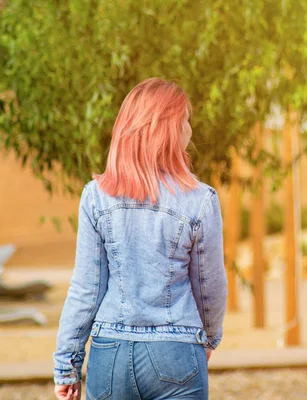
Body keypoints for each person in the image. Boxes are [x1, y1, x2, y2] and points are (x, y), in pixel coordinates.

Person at [54, 78, 227, 400]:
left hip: (110, 352)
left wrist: (68, 364)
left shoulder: (96, 196)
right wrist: (207, 339)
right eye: (186, 120)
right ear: (171, 128)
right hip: (176, 350)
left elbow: (86, 289)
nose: (190, 129)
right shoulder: (200, 199)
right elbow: (210, 287)